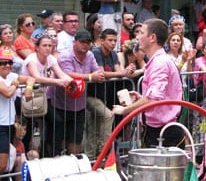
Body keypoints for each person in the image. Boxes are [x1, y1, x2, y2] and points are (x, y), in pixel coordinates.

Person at [112, 18, 184, 147]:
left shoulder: (159, 63)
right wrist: (141, 98)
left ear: (152, 38)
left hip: (162, 133)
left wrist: (125, 110)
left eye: (141, 32)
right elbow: (159, 97)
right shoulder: (159, 61)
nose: (137, 36)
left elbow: (153, 99)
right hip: (159, 130)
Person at [53, 30, 104, 155]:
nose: (85, 45)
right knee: (58, 137)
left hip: (79, 104)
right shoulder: (65, 56)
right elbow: (68, 74)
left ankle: (73, 164)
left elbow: (97, 70)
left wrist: (98, 74)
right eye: (82, 42)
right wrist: (91, 77)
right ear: (75, 42)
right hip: (60, 103)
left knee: (76, 137)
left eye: (88, 42)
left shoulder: (90, 55)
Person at [22, 34, 72, 156]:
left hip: (42, 97)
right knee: (29, 130)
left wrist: (71, 81)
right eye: (44, 45)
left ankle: (54, 152)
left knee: (57, 120)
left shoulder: (51, 59)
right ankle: (27, 156)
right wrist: (58, 82)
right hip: (26, 97)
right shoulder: (31, 59)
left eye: (50, 45)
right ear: (37, 47)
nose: (48, 48)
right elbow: (37, 78)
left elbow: (61, 74)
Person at [87, 28, 133, 157]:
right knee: (107, 116)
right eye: (110, 40)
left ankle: (93, 155)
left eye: (114, 40)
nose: (113, 43)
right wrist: (121, 73)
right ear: (102, 41)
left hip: (105, 94)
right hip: (91, 94)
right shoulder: (96, 52)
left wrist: (126, 71)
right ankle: (105, 151)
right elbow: (101, 72)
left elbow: (119, 71)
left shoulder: (113, 54)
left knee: (95, 125)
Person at [0, 48, 35, 181]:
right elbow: (7, 92)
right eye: (3, 63)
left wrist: (27, 89)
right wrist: (15, 85)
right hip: (0, 125)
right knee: (2, 163)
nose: (7, 66)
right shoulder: (8, 80)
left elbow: (30, 79)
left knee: (10, 160)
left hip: (9, 124)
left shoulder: (12, 76)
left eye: (9, 63)